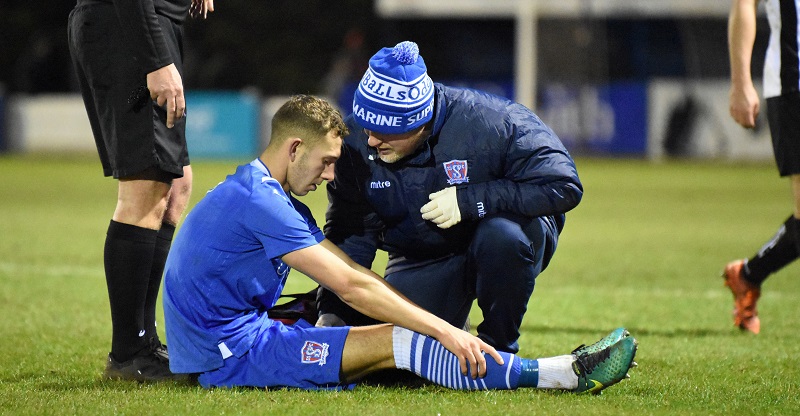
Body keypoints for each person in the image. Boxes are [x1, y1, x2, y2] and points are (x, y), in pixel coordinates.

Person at [162, 95, 637, 393]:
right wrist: (445, 331)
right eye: (327, 162)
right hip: (230, 355)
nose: (332, 174)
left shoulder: (259, 191)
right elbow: (351, 284)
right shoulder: (263, 204)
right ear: (294, 149)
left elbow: (351, 273)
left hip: (233, 337)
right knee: (400, 341)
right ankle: (560, 374)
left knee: (395, 334)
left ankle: (513, 362)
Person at [315, 41, 583, 355]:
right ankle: (452, 321)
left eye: (384, 131)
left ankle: (499, 348)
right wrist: (332, 312)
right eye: (367, 127)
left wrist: (472, 201)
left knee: (502, 237)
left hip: (507, 238)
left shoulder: (494, 122)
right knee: (399, 354)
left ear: (419, 121)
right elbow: (353, 233)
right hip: (425, 255)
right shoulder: (357, 144)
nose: (372, 140)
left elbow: (563, 184)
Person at [67, 0, 215, 380]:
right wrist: (154, 58)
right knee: (145, 187)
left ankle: (143, 342)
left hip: (149, 28)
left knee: (176, 186)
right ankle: (128, 353)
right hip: (130, 30)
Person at [724, 0, 800, 334]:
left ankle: (748, 274)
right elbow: (744, 4)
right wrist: (741, 81)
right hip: (794, 82)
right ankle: (748, 275)